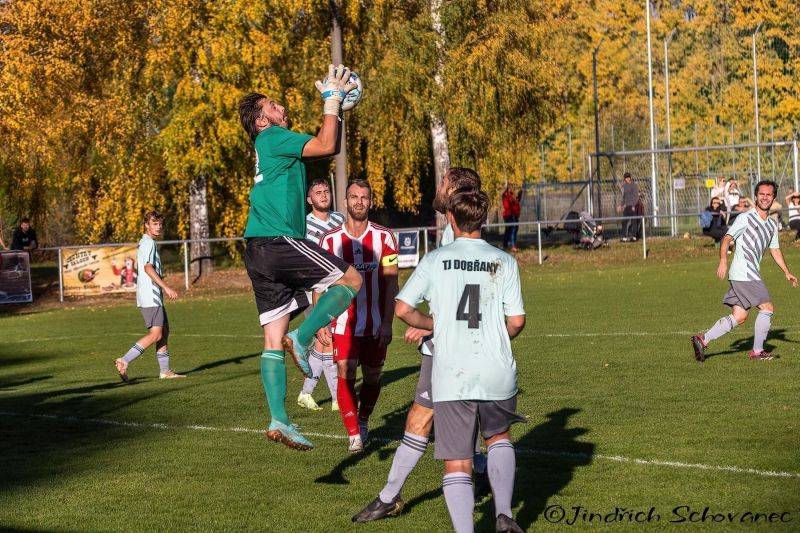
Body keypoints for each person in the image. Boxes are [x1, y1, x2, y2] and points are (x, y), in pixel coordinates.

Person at [237, 64, 362, 451]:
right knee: (351, 280)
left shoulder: (272, 144)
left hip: (257, 248)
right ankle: (304, 337)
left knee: (272, 339)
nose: (280, 107)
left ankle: (279, 419)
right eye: (272, 105)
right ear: (261, 120)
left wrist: (336, 109)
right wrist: (330, 100)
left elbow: (330, 144)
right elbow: (326, 146)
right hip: (277, 242)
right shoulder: (273, 136)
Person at [352, 167, 486, 524]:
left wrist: (431, 328)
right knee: (467, 417)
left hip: (447, 345)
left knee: (421, 417)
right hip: (469, 344)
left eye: (444, 183)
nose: (438, 188)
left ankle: (389, 498)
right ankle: (487, 475)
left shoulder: (452, 237)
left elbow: (451, 296)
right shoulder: (464, 236)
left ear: (455, 190)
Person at [393, 188, 526, 533]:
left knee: (458, 460)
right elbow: (517, 321)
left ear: (451, 219)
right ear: (483, 219)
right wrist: (496, 336)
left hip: (452, 370)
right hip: (497, 366)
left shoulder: (435, 260)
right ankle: (504, 514)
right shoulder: (505, 261)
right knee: (498, 437)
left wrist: (434, 325)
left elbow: (403, 309)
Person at [317, 180, 399, 452]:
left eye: (364, 197)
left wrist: (388, 322)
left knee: (373, 376)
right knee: (345, 369)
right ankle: (353, 433)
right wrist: (320, 322)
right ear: (345, 202)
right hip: (342, 322)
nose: (359, 202)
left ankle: (363, 419)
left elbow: (391, 283)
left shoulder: (384, 237)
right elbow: (319, 284)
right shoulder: (329, 240)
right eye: (354, 197)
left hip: (375, 323)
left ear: (371, 202)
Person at [691, 180, 797, 362]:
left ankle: (702, 339)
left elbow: (775, 250)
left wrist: (786, 272)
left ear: (773, 198)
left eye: (769, 194)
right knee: (767, 308)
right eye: (761, 194)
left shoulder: (772, 225)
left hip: (746, 274)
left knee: (739, 316)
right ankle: (757, 352)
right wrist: (723, 260)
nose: (765, 197)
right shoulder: (745, 218)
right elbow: (726, 239)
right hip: (744, 273)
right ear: (756, 196)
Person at [114, 211, 185, 381]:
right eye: (154, 223)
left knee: (164, 331)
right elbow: (148, 268)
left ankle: (165, 371)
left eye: (160, 224)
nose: (158, 227)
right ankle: (124, 360)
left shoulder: (147, 242)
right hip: (151, 295)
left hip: (153, 295)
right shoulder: (149, 244)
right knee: (156, 335)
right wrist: (166, 287)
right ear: (147, 225)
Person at [296, 178, 346, 412]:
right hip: (313, 290)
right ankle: (337, 398)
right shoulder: (303, 225)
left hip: (337, 289)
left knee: (324, 342)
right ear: (309, 199)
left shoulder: (339, 219)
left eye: (326, 191)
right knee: (328, 339)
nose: (324, 195)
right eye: (318, 192)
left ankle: (307, 394)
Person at [501, 185, 521, 251]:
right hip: (509, 215)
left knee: (512, 230)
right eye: (511, 188)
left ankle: (508, 245)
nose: (513, 189)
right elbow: (507, 206)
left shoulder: (512, 195)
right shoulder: (506, 196)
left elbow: (517, 202)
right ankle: (511, 245)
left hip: (514, 215)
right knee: (511, 230)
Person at [620, 173, 639, 242]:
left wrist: (634, 205)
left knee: (634, 221)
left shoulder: (634, 185)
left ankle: (634, 237)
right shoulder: (624, 186)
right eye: (626, 178)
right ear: (624, 179)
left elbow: (636, 196)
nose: (627, 179)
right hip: (626, 206)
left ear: (630, 178)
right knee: (624, 222)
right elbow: (624, 197)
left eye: (628, 177)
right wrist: (622, 205)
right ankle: (624, 237)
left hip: (632, 206)